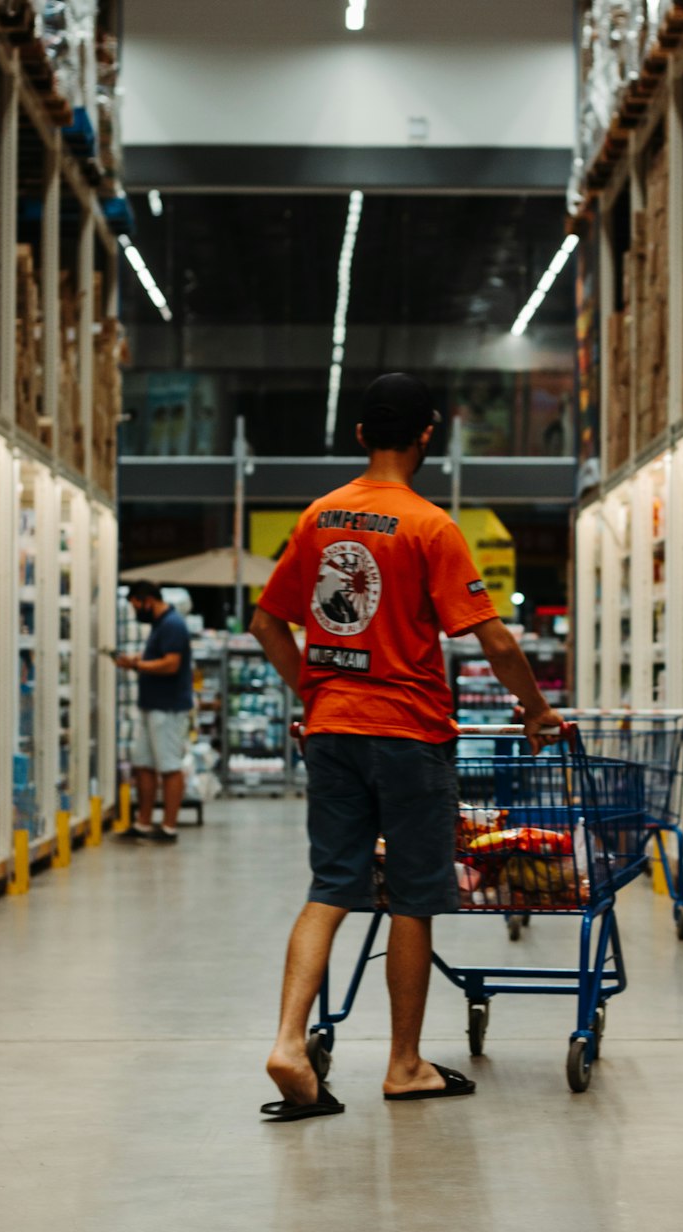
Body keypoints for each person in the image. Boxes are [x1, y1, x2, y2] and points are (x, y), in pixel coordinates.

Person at [250, 372, 562, 1122]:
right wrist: (536, 710)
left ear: (360, 435)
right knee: (415, 902)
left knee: (330, 887)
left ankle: (291, 1042)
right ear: (430, 434)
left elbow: (267, 623)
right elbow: (494, 637)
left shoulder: (320, 517)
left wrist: (314, 694)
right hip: (409, 733)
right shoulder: (432, 527)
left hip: (332, 730)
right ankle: (404, 1065)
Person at [114, 581, 193, 842]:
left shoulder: (173, 624)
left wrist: (138, 667)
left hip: (168, 708)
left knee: (170, 766)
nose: (136, 612)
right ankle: (144, 822)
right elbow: (158, 656)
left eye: (137, 605)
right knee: (144, 765)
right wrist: (137, 660)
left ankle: (169, 827)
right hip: (152, 706)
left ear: (148, 600)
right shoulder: (160, 625)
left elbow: (171, 664)